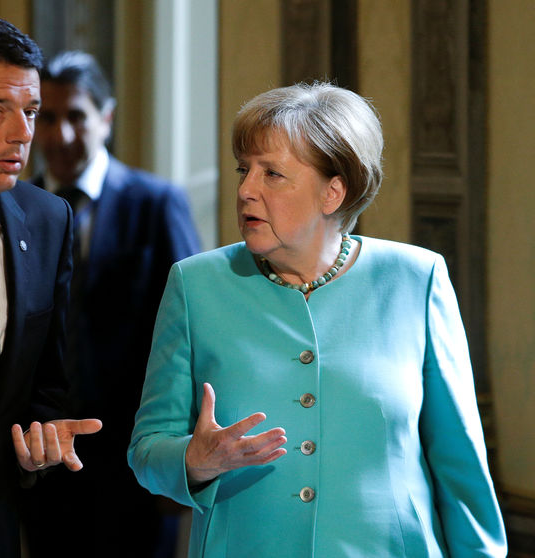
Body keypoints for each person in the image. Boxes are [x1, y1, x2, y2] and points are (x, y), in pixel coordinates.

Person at [128, 82, 507, 557]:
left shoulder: (417, 279)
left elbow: (460, 466)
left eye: (272, 174)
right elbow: (146, 452)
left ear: (332, 192)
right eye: (244, 169)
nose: (245, 189)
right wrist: (194, 459)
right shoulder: (195, 285)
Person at [19, 51, 200, 558]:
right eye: (45, 118)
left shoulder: (155, 202)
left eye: (75, 116)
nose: (60, 136)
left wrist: (178, 457)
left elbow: (190, 331)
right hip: (44, 460)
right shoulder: (16, 208)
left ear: (106, 117)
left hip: (136, 458)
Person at [0, 14, 101, 558]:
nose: (22, 133)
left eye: (30, 112)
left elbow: (46, 383)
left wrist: (39, 439)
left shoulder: (49, 220)